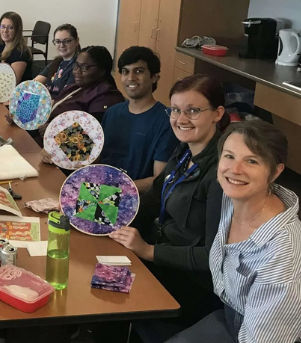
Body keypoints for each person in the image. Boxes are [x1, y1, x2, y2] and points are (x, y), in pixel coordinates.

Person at [103, 74, 229, 342]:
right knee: (95, 266)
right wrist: (95, 208)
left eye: (193, 111)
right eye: (175, 110)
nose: (181, 119)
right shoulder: (185, 150)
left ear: (217, 114)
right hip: (158, 257)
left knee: (105, 298)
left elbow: (212, 257)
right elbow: (153, 199)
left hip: (187, 282)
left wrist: (148, 251)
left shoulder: (221, 173)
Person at [166, 120, 301, 343]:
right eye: (229, 156)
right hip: (228, 311)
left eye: (251, 161)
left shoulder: (282, 257)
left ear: (275, 172)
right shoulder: (232, 198)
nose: (235, 170)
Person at [98, 46, 178, 192]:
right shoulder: (113, 113)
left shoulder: (166, 120)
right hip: (100, 191)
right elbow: (96, 158)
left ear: (154, 77)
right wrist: (57, 153)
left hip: (134, 199)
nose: (131, 78)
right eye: (125, 71)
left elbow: (158, 180)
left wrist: (115, 189)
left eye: (139, 71)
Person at [33, 24, 80, 95]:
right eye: (58, 41)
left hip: (59, 104)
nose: (62, 45)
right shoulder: (57, 62)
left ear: (76, 41)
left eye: (66, 41)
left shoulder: (78, 67)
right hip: (46, 101)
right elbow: (35, 84)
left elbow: (66, 97)